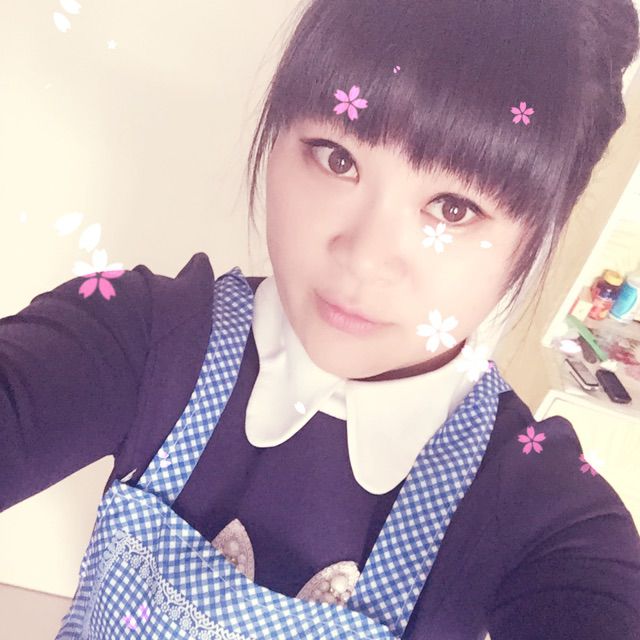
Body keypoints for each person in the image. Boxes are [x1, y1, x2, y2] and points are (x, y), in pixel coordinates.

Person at [2, 0, 640, 638]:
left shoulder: (536, 505)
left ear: (536, 235)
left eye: (453, 207)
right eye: (338, 158)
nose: (362, 258)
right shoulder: (143, 336)